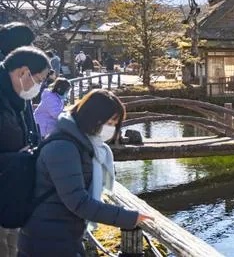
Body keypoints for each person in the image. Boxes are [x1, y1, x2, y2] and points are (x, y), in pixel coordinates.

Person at [18, 90, 152, 256]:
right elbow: (79, 202)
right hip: (47, 240)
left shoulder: (82, 144)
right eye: (109, 122)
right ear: (93, 118)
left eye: (114, 124)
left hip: (61, 235)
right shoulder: (63, 148)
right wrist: (129, 218)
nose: (111, 128)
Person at [0, 47, 51, 257]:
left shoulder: (18, 98)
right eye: (39, 80)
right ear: (23, 72)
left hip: (12, 195)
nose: (41, 86)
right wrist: (21, 158)